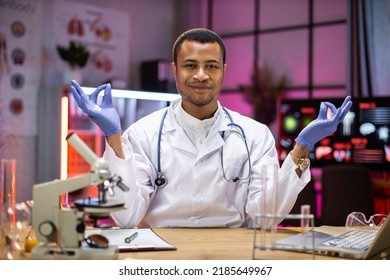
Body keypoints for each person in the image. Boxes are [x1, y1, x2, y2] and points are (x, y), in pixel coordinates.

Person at [70, 28, 352, 228]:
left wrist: (301, 148)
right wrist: (114, 139)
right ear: (174, 70)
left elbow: (266, 214)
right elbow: (127, 216)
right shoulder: (142, 133)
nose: (201, 75)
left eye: (211, 66)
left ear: (223, 71)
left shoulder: (254, 134)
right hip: (161, 252)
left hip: (233, 255)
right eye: (190, 65)